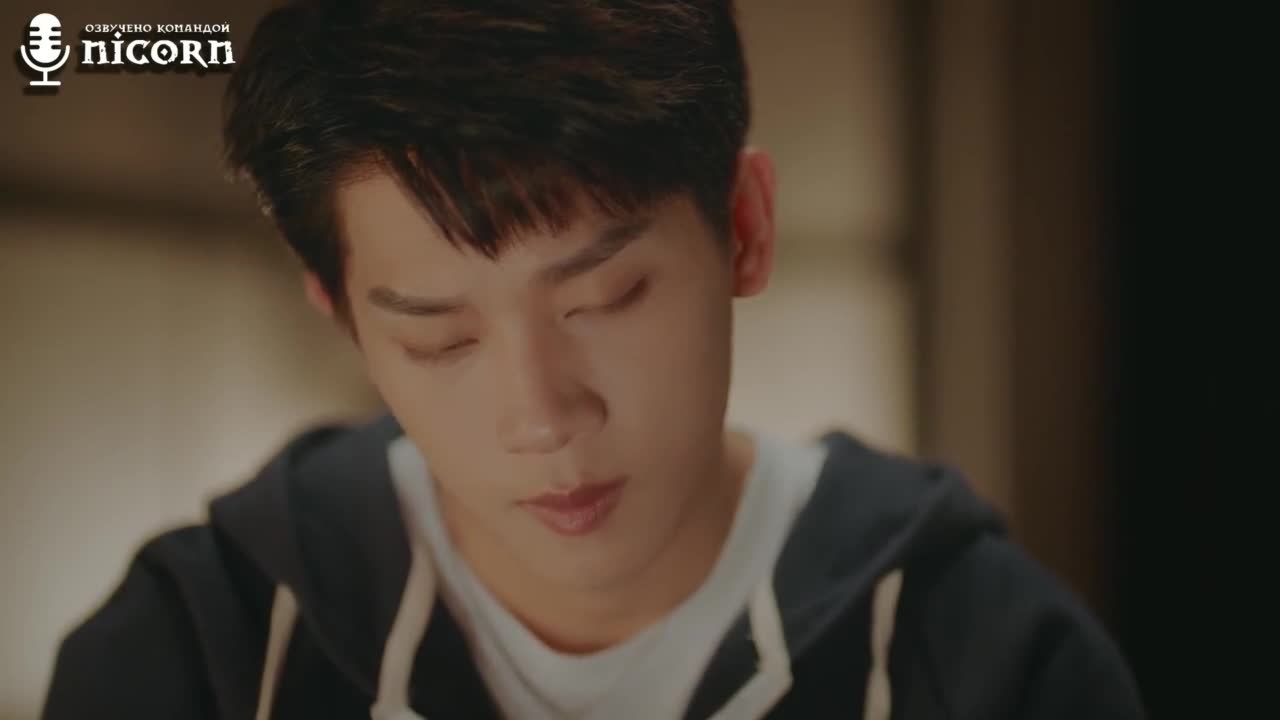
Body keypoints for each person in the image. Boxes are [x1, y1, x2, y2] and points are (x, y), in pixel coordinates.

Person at [42, 1, 1144, 718]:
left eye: (606, 298)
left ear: (745, 228)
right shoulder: (203, 653)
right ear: (339, 312)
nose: (542, 417)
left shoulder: (984, 659)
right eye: (439, 336)